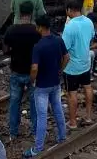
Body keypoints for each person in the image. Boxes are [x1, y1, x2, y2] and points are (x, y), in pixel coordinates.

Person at [25, 16, 68, 156]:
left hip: (42, 86)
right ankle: (62, 137)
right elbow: (67, 57)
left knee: (42, 116)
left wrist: (32, 80)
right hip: (55, 83)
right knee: (58, 110)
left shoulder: (38, 46)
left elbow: (34, 68)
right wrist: (60, 70)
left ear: (40, 27)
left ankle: (37, 148)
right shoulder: (58, 40)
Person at [3, 2, 41, 140]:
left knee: (14, 102)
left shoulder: (11, 30)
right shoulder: (37, 31)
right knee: (34, 103)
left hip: (16, 71)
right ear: (31, 13)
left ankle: (13, 132)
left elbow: (5, 50)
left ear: (19, 13)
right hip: (33, 72)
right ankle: (35, 131)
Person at [61, 0, 95, 129]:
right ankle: (88, 116)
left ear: (69, 10)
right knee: (87, 87)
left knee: (72, 93)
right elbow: (91, 38)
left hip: (72, 67)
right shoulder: (89, 22)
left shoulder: (70, 27)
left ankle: (73, 122)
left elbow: (64, 48)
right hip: (85, 62)